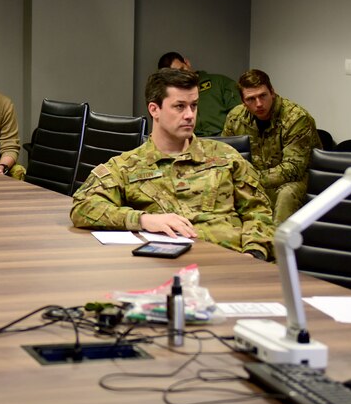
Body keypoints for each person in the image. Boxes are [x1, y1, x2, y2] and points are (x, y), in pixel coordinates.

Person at [71, 68, 274, 259]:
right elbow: (82, 207)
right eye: (179, 106)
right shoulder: (127, 166)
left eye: (193, 105)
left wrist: (253, 254)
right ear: (154, 109)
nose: (189, 115)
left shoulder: (226, 157)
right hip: (167, 268)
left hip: (232, 264)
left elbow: (259, 212)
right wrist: (144, 220)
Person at [222, 69, 321, 223]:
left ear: (272, 92)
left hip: (300, 178)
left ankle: (275, 245)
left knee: (286, 194)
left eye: (263, 96)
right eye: (251, 99)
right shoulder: (236, 117)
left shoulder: (296, 118)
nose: (259, 104)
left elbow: (293, 168)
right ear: (243, 101)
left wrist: (253, 180)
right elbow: (225, 155)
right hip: (256, 177)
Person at [158, 51, 240, 137]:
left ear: (187, 63)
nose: (182, 75)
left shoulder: (220, 83)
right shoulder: (170, 98)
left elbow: (239, 116)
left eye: (182, 69)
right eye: (175, 75)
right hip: (190, 143)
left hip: (225, 140)